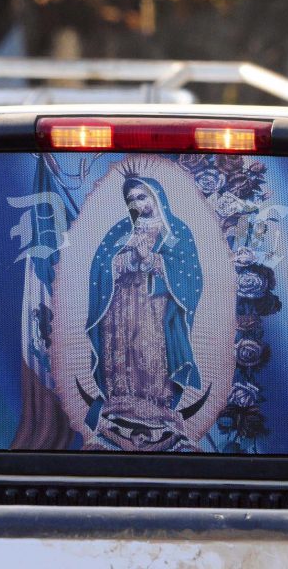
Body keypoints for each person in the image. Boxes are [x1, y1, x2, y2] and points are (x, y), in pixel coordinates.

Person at [83, 169, 204, 450]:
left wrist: (151, 259)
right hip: (119, 307)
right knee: (122, 352)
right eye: (131, 200)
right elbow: (101, 267)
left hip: (154, 307)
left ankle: (156, 408)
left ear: (156, 196)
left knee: (147, 351)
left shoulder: (174, 231)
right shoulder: (121, 230)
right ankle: (119, 406)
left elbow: (188, 273)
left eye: (141, 196)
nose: (137, 204)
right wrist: (122, 261)